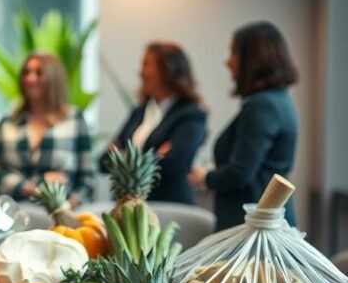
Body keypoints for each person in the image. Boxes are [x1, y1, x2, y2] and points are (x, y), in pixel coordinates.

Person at [188, 21, 299, 231]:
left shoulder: (262, 105)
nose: (227, 62)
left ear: (253, 60)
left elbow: (240, 173)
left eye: (233, 53)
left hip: (255, 230)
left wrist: (205, 178)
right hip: (262, 224)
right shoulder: (278, 100)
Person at [100, 42, 207, 204]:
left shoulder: (190, 115)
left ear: (168, 70)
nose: (140, 72)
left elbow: (172, 165)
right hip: (126, 205)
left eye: (146, 64)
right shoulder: (139, 112)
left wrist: (124, 157)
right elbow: (103, 161)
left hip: (168, 206)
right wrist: (155, 156)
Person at [0, 51, 93, 204]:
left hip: (62, 215)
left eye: (39, 73)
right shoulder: (8, 123)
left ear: (54, 78)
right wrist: (35, 185)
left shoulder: (73, 119)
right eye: (26, 72)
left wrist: (68, 206)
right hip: (15, 214)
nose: (30, 78)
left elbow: (88, 178)